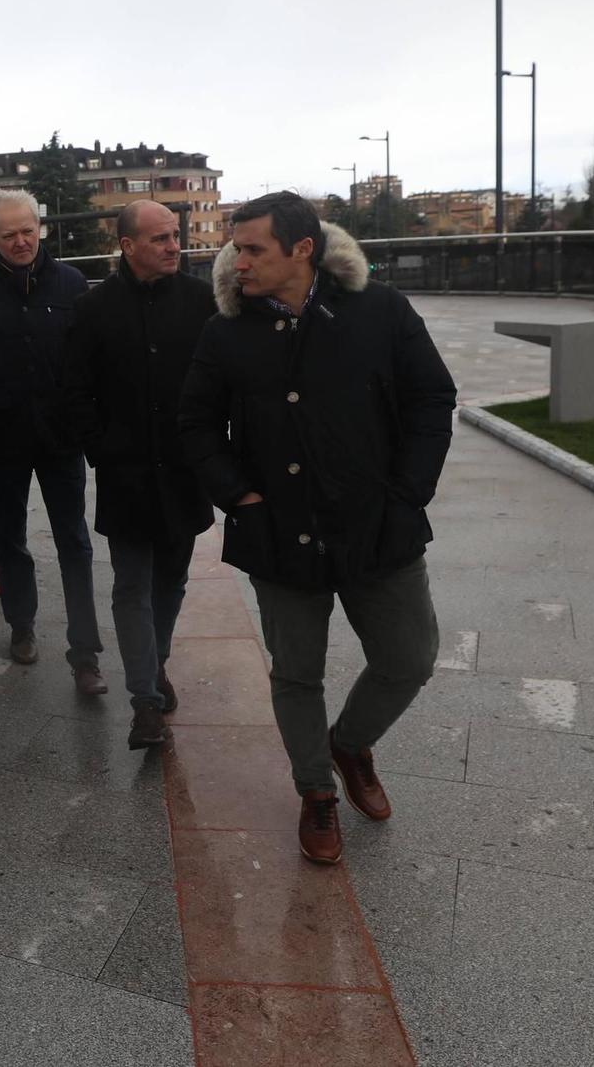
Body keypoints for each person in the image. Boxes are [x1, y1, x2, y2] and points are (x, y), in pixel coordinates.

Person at [178, 191, 456, 866]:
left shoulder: (379, 310)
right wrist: (238, 495)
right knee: (296, 672)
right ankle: (316, 792)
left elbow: (432, 397)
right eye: (235, 248)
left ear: (302, 250)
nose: (236, 261)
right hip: (278, 531)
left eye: (252, 249)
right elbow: (194, 423)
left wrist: (406, 495)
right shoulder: (227, 330)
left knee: (408, 657)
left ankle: (351, 742)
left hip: (376, 525)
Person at [59, 201, 216, 750]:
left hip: (183, 470)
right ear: (128, 246)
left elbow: (220, 381)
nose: (175, 246)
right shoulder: (94, 307)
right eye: (161, 239)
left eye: (176, 236)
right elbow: (74, 389)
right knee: (131, 586)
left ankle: (157, 665)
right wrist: (101, 448)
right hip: (126, 474)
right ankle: (145, 703)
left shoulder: (202, 301)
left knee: (170, 581)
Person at [0, 189, 102, 685]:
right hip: (0, 439)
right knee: (9, 540)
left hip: (60, 439)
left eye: (28, 230)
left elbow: (88, 365)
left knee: (74, 541)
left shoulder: (73, 284)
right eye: (9, 234)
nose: (20, 241)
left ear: (42, 228)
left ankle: (85, 648)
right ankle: (22, 624)